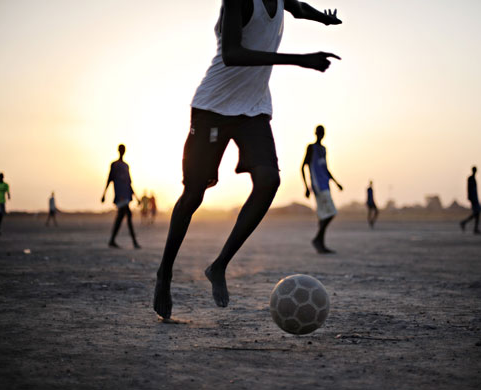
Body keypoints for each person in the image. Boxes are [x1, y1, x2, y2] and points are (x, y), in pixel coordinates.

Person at [153, 0, 342, 319]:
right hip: (213, 107)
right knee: (194, 195)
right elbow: (232, 53)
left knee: (269, 179)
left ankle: (219, 265)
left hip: (253, 110)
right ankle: (164, 274)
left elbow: (297, 8)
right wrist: (299, 60)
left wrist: (323, 18)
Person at [301, 125, 343, 253]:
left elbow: (325, 168)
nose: (320, 134)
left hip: (326, 184)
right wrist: (306, 187)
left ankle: (321, 244)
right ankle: (317, 239)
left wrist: (336, 182)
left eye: (322, 132)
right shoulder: (311, 148)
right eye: (319, 132)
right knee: (331, 212)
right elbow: (303, 166)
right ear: (315, 133)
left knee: (323, 215)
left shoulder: (324, 149)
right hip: (318, 186)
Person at [101, 144, 141, 249]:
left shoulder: (126, 166)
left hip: (126, 194)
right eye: (121, 150)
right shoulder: (114, 165)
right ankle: (134, 241)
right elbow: (109, 179)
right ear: (119, 151)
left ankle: (113, 240)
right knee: (127, 216)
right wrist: (104, 194)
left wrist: (136, 197)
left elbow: (129, 183)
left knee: (122, 217)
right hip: (120, 195)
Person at [460, 166, 481, 234]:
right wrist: (470, 197)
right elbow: (469, 188)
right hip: (473, 198)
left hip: (475, 197)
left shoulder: (473, 178)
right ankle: (467, 224)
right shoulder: (471, 178)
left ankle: (466, 223)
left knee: (476, 213)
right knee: (477, 212)